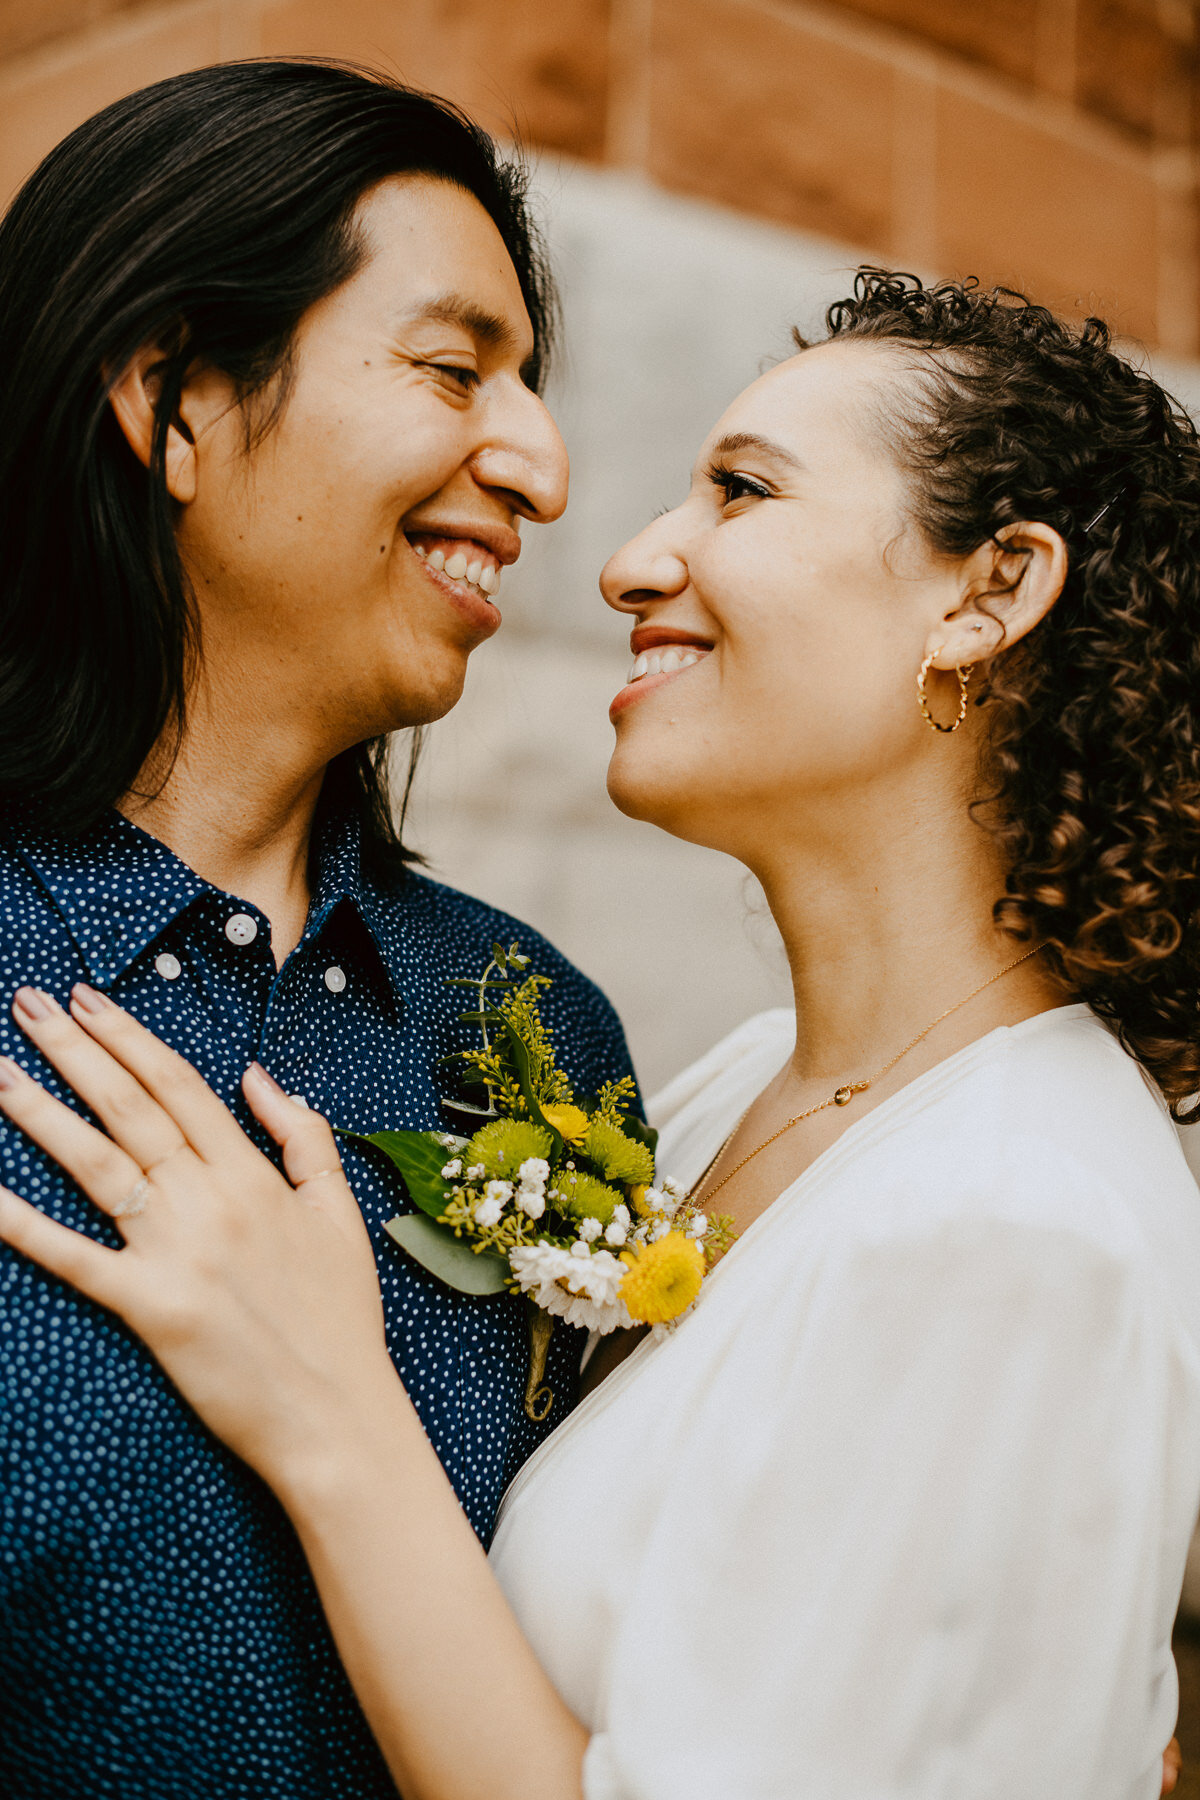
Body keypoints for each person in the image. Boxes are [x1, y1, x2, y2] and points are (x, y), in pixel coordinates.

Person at [2, 273, 1198, 1798]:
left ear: (987, 591)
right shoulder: (718, 1099)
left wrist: (329, 1403)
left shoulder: (1022, 1223)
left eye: (742, 492)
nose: (630, 562)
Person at [0, 61, 637, 1800]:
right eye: (453, 370)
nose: (545, 470)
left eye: (532, 386)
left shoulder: (534, 1028)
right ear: (175, 398)